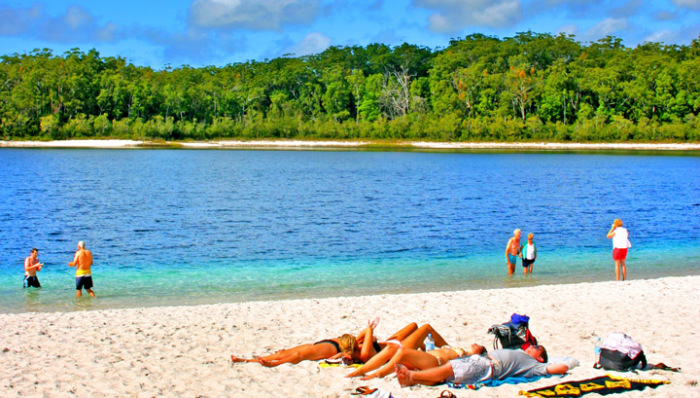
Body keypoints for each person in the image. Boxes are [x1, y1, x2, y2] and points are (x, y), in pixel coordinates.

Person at [395, 345, 569, 387]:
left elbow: (560, 368)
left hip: (488, 366)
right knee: (449, 370)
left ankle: (411, 377)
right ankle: (411, 379)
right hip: (483, 361)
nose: (532, 345)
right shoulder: (524, 355)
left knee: (451, 368)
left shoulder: (534, 365)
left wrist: (558, 365)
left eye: (537, 348)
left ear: (540, 358)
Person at [346, 322, 450, 378]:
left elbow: (371, 336)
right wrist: (368, 329)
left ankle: (423, 348)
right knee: (426, 328)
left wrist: (357, 340)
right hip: (400, 348)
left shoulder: (358, 348)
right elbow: (368, 331)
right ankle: (448, 348)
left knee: (413, 325)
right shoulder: (364, 352)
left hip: (391, 343)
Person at [360, 344, 487, 380]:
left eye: (478, 346)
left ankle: (379, 374)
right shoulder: (463, 351)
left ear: (478, 354)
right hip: (426, 358)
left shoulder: (468, 358)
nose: (474, 343)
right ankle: (361, 370)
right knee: (391, 348)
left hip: (435, 363)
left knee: (402, 352)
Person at [231, 333, 358, 367]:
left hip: (331, 347)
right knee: (282, 353)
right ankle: (246, 360)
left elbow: (352, 354)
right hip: (324, 342)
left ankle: (274, 364)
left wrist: (340, 354)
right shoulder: (358, 340)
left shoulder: (357, 347)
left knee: (299, 355)